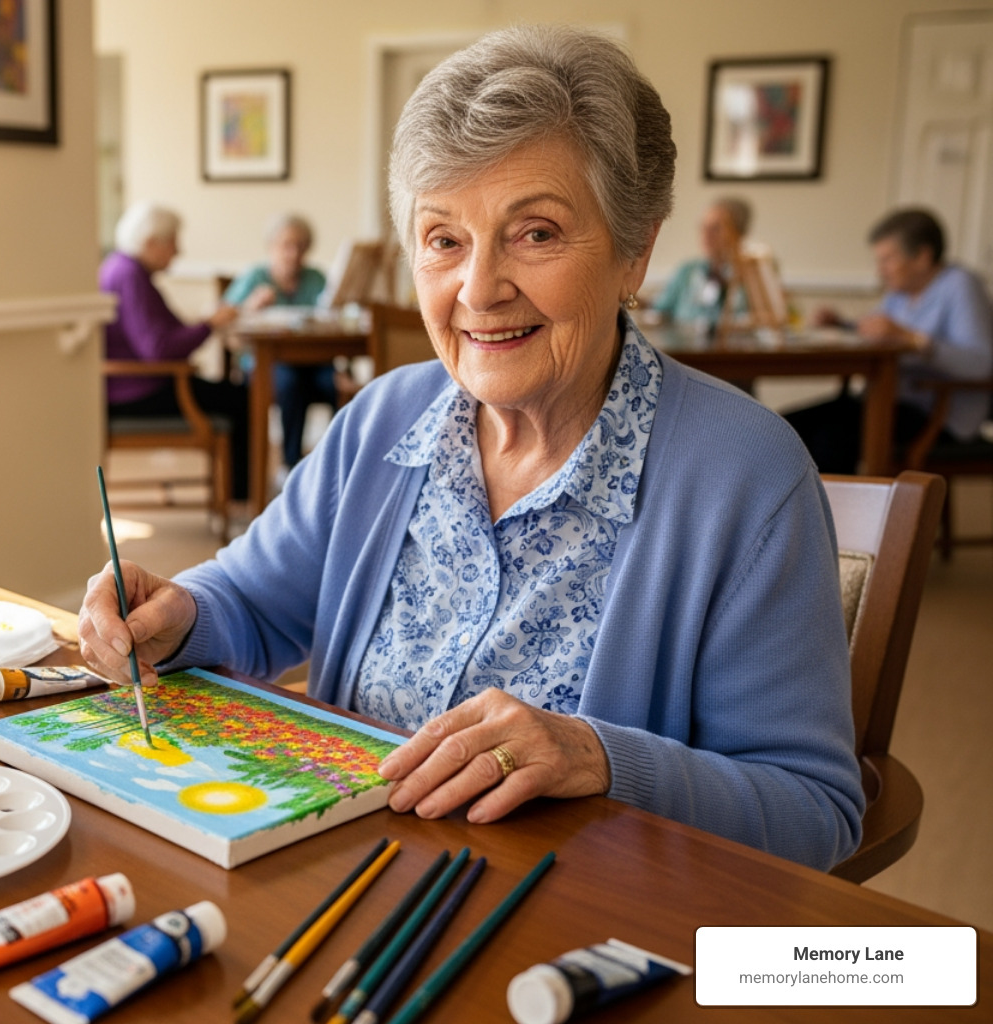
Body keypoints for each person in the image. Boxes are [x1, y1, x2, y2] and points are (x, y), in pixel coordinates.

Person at [78, 26, 863, 871]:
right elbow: (253, 597)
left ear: (636, 251)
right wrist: (176, 613)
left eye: (535, 233)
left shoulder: (747, 476)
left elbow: (813, 812)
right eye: (444, 239)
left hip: (570, 928)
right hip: (335, 876)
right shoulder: (382, 422)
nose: (479, 290)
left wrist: (600, 759)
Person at [787, 208, 993, 474]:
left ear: (922, 256)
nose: (880, 271)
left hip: (935, 415)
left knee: (831, 438)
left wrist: (912, 340)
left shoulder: (961, 285)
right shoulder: (902, 293)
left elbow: (980, 364)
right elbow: (876, 327)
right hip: (887, 401)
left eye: (887, 260)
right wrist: (841, 323)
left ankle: (830, 515)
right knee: (788, 428)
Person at [101, 201, 249, 500]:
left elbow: (162, 334)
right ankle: (242, 497)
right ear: (150, 242)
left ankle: (240, 493)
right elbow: (159, 350)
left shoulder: (124, 269)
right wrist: (208, 325)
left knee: (234, 393)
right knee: (242, 398)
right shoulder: (130, 276)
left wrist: (205, 323)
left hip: (135, 385)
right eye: (172, 242)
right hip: (138, 391)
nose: (177, 251)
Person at [223, 214, 339, 469]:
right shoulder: (255, 277)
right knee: (289, 385)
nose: (293, 252)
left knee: (337, 384)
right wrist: (250, 307)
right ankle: (291, 465)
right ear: (271, 246)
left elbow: (333, 317)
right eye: (286, 245)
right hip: (267, 364)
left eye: (300, 245)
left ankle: (336, 465)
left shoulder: (316, 278)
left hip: (314, 362)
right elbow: (226, 325)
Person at [648, 197, 752, 328]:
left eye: (716, 228)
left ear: (739, 233)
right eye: (703, 227)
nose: (706, 234)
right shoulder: (686, 271)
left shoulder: (750, 276)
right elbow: (661, 308)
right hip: (683, 346)